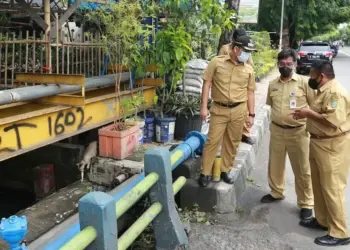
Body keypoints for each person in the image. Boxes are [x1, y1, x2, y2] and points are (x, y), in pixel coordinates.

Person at [293, 61, 350, 246]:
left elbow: (333, 120)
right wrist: (305, 114)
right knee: (318, 185)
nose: (310, 79)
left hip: (331, 146)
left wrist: (308, 113)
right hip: (318, 142)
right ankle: (323, 220)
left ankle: (340, 232)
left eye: (312, 76)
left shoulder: (335, 93)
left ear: (322, 76)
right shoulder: (323, 90)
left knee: (332, 188)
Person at [260, 49, 314, 221]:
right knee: (275, 165)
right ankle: (276, 192)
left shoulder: (304, 83)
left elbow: (314, 107)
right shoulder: (272, 84)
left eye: (289, 64)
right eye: (282, 64)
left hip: (298, 132)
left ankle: (306, 203)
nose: (285, 67)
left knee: (302, 169)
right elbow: (270, 104)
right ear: (278, 64)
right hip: (276, 130)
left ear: (295, 64)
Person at [198, 35, 257, 187]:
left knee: (233, 141)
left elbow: (250, 92)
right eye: (246, 51)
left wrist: (251, 114)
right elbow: (207, 84)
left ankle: (225, 170)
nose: (248, 55)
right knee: (212, 141)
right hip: (219, 108)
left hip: (239, 110)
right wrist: (204, 107)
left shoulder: (249, 69)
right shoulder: (216, 62)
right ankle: (205, 172)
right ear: (236, 49)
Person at [218, 29, 255, 145]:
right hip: (228, 83)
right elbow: (220, 64)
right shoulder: (225, 48)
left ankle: (245, 133)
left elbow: (250, 64)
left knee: (245, 109)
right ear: (234, 39)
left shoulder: (245, 49)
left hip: (242, 82)